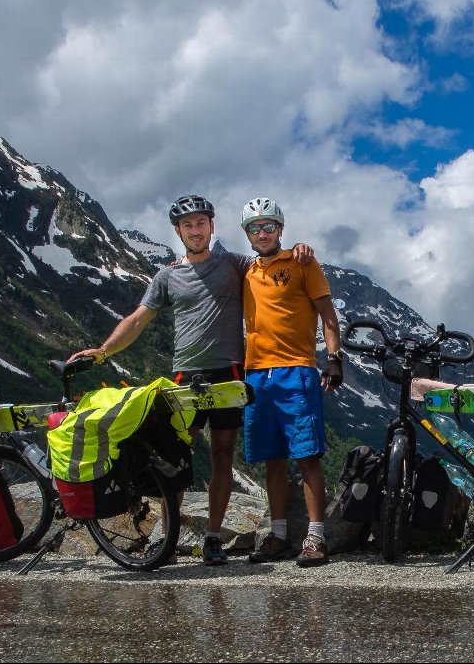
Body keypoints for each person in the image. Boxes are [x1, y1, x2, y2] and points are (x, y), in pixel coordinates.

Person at [68, 194, 312, 566]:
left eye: (201, 223)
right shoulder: (167, 275)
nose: (195, 231)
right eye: (187, 225)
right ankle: (167, 539)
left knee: (221, 456)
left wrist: (297, 248)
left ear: (212, 227)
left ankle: (212, 538)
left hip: (229, 372)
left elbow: (270, 256)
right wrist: (103, 351)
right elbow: (138, 319)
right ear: (178, 231)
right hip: (185, 376)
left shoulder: (234, 263)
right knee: (174, 458)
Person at [239, 197, 343, 568]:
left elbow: (327, 314)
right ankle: (279, 535)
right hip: (256, 375)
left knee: (307, 456)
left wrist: (333, 359)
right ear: (247, 234)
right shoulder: (245, 272)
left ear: (281, 229)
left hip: (296, 370)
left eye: (269, 226)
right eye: (255, 227)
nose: (263, 233)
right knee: (272, 459)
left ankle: (315, 537)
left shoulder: (302, 262)